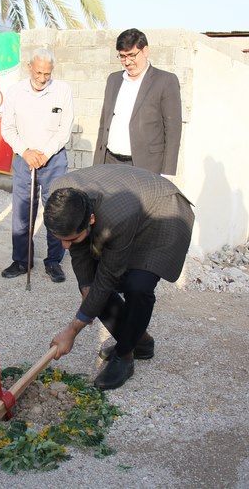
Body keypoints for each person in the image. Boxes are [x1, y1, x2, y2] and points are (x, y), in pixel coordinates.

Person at [46, 165, 194, 390]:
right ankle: (140, 342)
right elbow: (79, 252)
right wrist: (86, 289)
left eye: (70, 239)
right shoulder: (59, 196)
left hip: (163, 214)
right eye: (60, 239)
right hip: (129, 206)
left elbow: (108, 276)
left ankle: (125, 356)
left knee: (138, 286)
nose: (64, 247)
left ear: (91, 220)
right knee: (94, 290)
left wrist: (72, 329)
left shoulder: (117, 216)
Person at [0, 48, 73, 283]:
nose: (42, 78)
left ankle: (53, 262)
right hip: (24, 160)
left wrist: (46, 153)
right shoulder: (15, 92)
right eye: (39, 72)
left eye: (47, 74)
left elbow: (65, 128)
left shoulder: (62, 90)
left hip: (54, 160)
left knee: (55, 211)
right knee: (22, 213)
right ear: (30, 67)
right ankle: (22, 260)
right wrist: (26, 151)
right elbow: (7, 129)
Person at [93, 28, 182, 175]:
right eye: (122, 56)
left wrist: (167, 173)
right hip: (110, 163)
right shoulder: (113, 80)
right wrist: (97, 165)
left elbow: (173, 131)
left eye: (131, 55)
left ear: (145, 51)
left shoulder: (165, 81)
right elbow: (104, 125)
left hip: (146, 166)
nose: (127, 62)